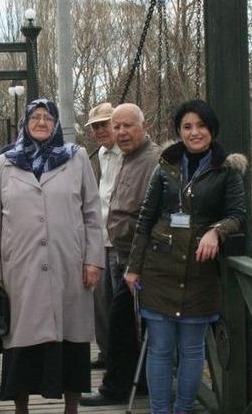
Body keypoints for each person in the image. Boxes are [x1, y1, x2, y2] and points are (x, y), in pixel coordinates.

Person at [0, 99, 105, 414]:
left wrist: (93, 260)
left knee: (72, 340)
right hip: (20, 270)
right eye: (34, 117)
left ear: (56, 124)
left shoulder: (76, 159)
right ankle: (21, 408)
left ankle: (72, 408)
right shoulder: (3, 164)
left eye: (47, 117)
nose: (40, 122)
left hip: (69, 267)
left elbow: (92, 214)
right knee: (22, 342)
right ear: (25, 123)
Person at [125, 100, 246, 413]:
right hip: (159, 269)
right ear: (179, 132)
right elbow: (146, 219)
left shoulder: (227, 169)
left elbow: (237, 215)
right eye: (187, 127)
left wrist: (216, 231)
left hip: (200, 274)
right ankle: (159, 410)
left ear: (212, 129)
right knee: (160, 350)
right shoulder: (165, 166)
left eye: (201, 126)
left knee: (192, 351)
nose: (195, 133)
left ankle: (183, 409)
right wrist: (133, 268)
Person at [82, 103, 160, 406]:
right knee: (126, 323)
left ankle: (117, 388)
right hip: (121, 253)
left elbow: (154, 214)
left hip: (141, 260)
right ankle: (139, 383)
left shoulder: (154, 161)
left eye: (128, 126)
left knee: (125, 323)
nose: (121, 132)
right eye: (117, 127)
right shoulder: (125, 157)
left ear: (144, 124)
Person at [85, 102, 122, 370]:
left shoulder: (131, 153)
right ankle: (107, 354)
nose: (99, 131)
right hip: (101, 242)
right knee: (100, 305)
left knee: (121, 308)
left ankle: (124, 364)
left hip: (122, 242)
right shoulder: (97, 156)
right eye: (95, 127)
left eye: (104, 124)